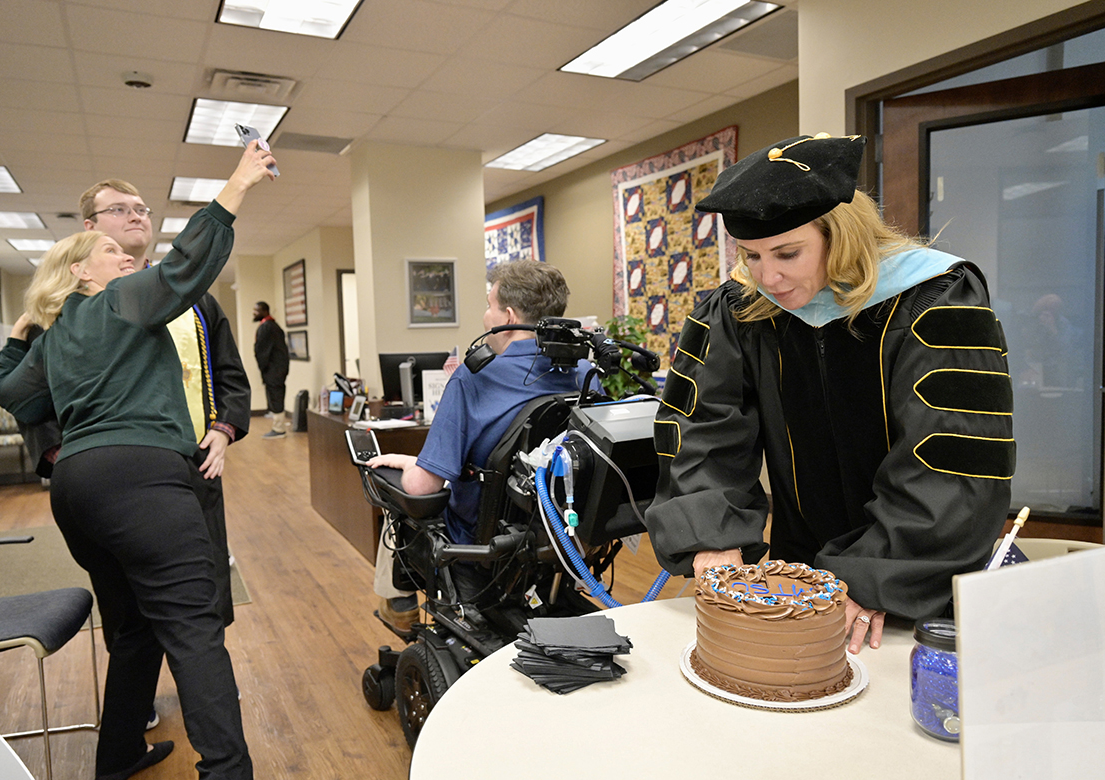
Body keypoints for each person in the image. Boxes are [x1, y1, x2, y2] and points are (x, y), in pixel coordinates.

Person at [644, 133, 1014, 655]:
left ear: (839, 235)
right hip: (798, 568)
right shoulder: (740, 309)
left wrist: (872, 576)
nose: (767, 277)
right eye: (750, 255)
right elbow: (704, 425)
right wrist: (713, 534)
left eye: (787, 253)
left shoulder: (936, 300)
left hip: (914, 582)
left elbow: (950, 461)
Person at [0, 142, 277, 780]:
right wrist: (237, 183)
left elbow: (11, 394)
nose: (128, 259)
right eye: (113, 254)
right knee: (195, 630)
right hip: (143, 481)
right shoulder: (124, 301)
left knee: (136, 629)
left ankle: (117, 756)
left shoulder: (58, 336)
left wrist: (14, 336)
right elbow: (188, 263)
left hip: (77, 493)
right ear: (83, 274)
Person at [366, 260, 593, 629]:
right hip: (559, 535)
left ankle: (400, 606)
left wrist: (410, 464)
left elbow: (424, 486)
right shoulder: (585, 375)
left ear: (507, 315)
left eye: (488, 305)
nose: (484, 315)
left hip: (483, 543)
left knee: (394, 490)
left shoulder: (474, 379)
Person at [252, 301, 289, 438]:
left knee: (276, 397)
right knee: (275, 397)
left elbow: (262, 351)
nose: (254, 313)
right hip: (277, 369)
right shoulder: (272, 326)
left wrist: (263, 367)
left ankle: (279, 429)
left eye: (256, 310)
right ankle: (277, 426)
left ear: (265, 311)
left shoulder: (267, 327)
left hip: (274, 370)